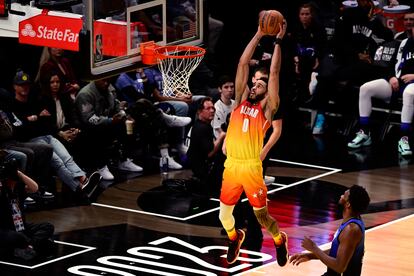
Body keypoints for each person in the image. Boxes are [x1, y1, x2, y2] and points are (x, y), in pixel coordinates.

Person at [218, 20, 288, 266]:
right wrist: (259, 33)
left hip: (251, 167)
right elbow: (242, 63)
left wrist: (278, 40)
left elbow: (276, 73)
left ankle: (279, 240)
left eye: (260, 85)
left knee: (262, 217)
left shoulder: (267, 110)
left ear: (267, 93)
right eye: (255, 83)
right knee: (224, 216)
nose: (255, 86)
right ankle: (235, 237)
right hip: (232, 166)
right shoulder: (238, 101)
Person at [9, 70, 100, 201]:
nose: (25, 87)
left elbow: (44, 120)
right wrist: (31, 120)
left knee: (66, 157)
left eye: (27, 84)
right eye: (21, 85)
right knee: (57, 161)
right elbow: (19, 129)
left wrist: (33, 119)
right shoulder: (12, 105)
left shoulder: (34, 100)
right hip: (30, 140)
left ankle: (84, 180)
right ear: (15, 86)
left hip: (46, 135)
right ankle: (79, 188)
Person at [347, 25, 414, 156]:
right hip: (396, 82)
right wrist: (391, 77)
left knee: (409, 93)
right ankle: (365, 132)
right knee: (366, 89)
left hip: (412, 83)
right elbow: (390, 64)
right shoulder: (404, 43)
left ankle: (404, 139)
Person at [290, 185, 371, 276]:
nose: (341, 196)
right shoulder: (352, 222)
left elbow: (340, 267)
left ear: (348, 204)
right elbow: (337, 251)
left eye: (344, 195)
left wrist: (314, 248)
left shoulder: (351, 229)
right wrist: (310, 256)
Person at [0, 154, 55, 261]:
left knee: (47, 226)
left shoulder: (18, 188)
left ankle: (28, 247)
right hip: (5, 229)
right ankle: (31, 244)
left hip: (21, 226)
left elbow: (35, 188)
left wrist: (19, 173)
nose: (13, 182)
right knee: (18, 237)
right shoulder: (2, 190)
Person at [187, 97, 226, 196]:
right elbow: (210, 153)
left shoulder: (203, 125)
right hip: (203, 167)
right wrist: (221, 137)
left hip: (199, 164)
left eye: (213, 108)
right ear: (200, 111)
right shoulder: (202, 128)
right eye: (208, 108)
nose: (212, 110)